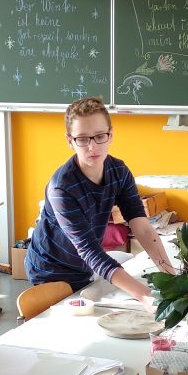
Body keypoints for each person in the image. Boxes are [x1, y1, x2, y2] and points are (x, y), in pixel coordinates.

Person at [24, 97, 174, 302]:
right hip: (50, 271)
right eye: (82, 139)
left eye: (100, 136)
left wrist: (172, 278)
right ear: (70, 141)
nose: (92, 147)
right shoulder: (61, 188)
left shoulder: (119, 171)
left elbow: (143, 229)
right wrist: (145, 296)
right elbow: (90, 251)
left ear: (110, 135)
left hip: (84, 266)